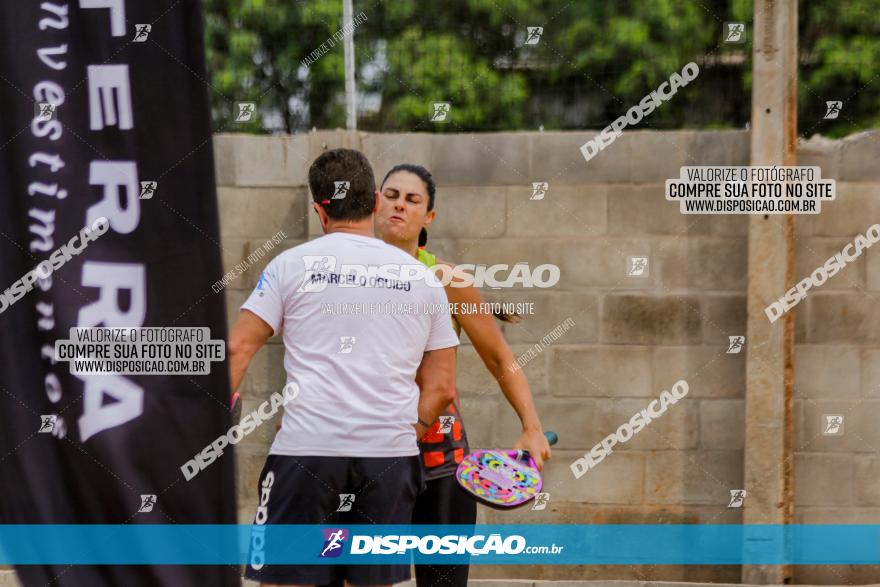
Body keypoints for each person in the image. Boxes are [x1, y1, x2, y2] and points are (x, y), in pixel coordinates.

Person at [227, 148, 460, 587]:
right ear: (374, 202)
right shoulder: (423, 280)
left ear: (319, 209)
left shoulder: (289, 266)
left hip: (306, 453)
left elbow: (238, 349)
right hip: (390, 457)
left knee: (286, 579)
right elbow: (443, 386)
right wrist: (404, 431)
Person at [377, 163, 552, 587]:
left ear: (428, 217)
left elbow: (499, 358)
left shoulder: (449, 280)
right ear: (374, 202)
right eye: (392, 195)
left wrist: (532, 425)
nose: (399, 205)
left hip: (440, 461)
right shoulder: (347, 271)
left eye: (412, 200)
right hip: (373, 453)